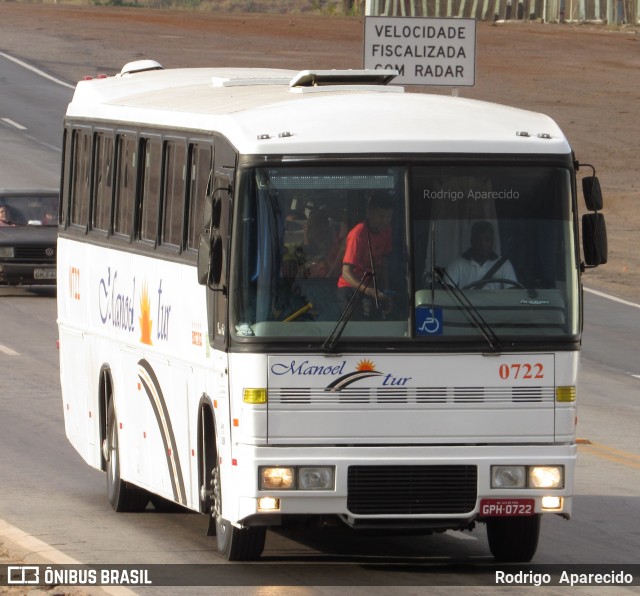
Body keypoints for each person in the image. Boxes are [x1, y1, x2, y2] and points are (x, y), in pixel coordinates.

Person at [337, 192, 394, 318]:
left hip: (373, 289)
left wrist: (386, 291)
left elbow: (384, 262)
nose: (385, 221)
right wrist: (369, 291)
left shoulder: (387, 231)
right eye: (381, 216)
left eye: (389, 217)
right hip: (350, 288)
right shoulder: (358, 234)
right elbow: (346, 273)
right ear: (370, 213)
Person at [445, 220, 517, 289]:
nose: (483, 244)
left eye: (487, 239)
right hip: (465, 302)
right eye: (478, 239)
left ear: (492, 242)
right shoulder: (457, 264)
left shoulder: (504, 265)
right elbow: (446, 294)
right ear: (472, 241)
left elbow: (512, 295)